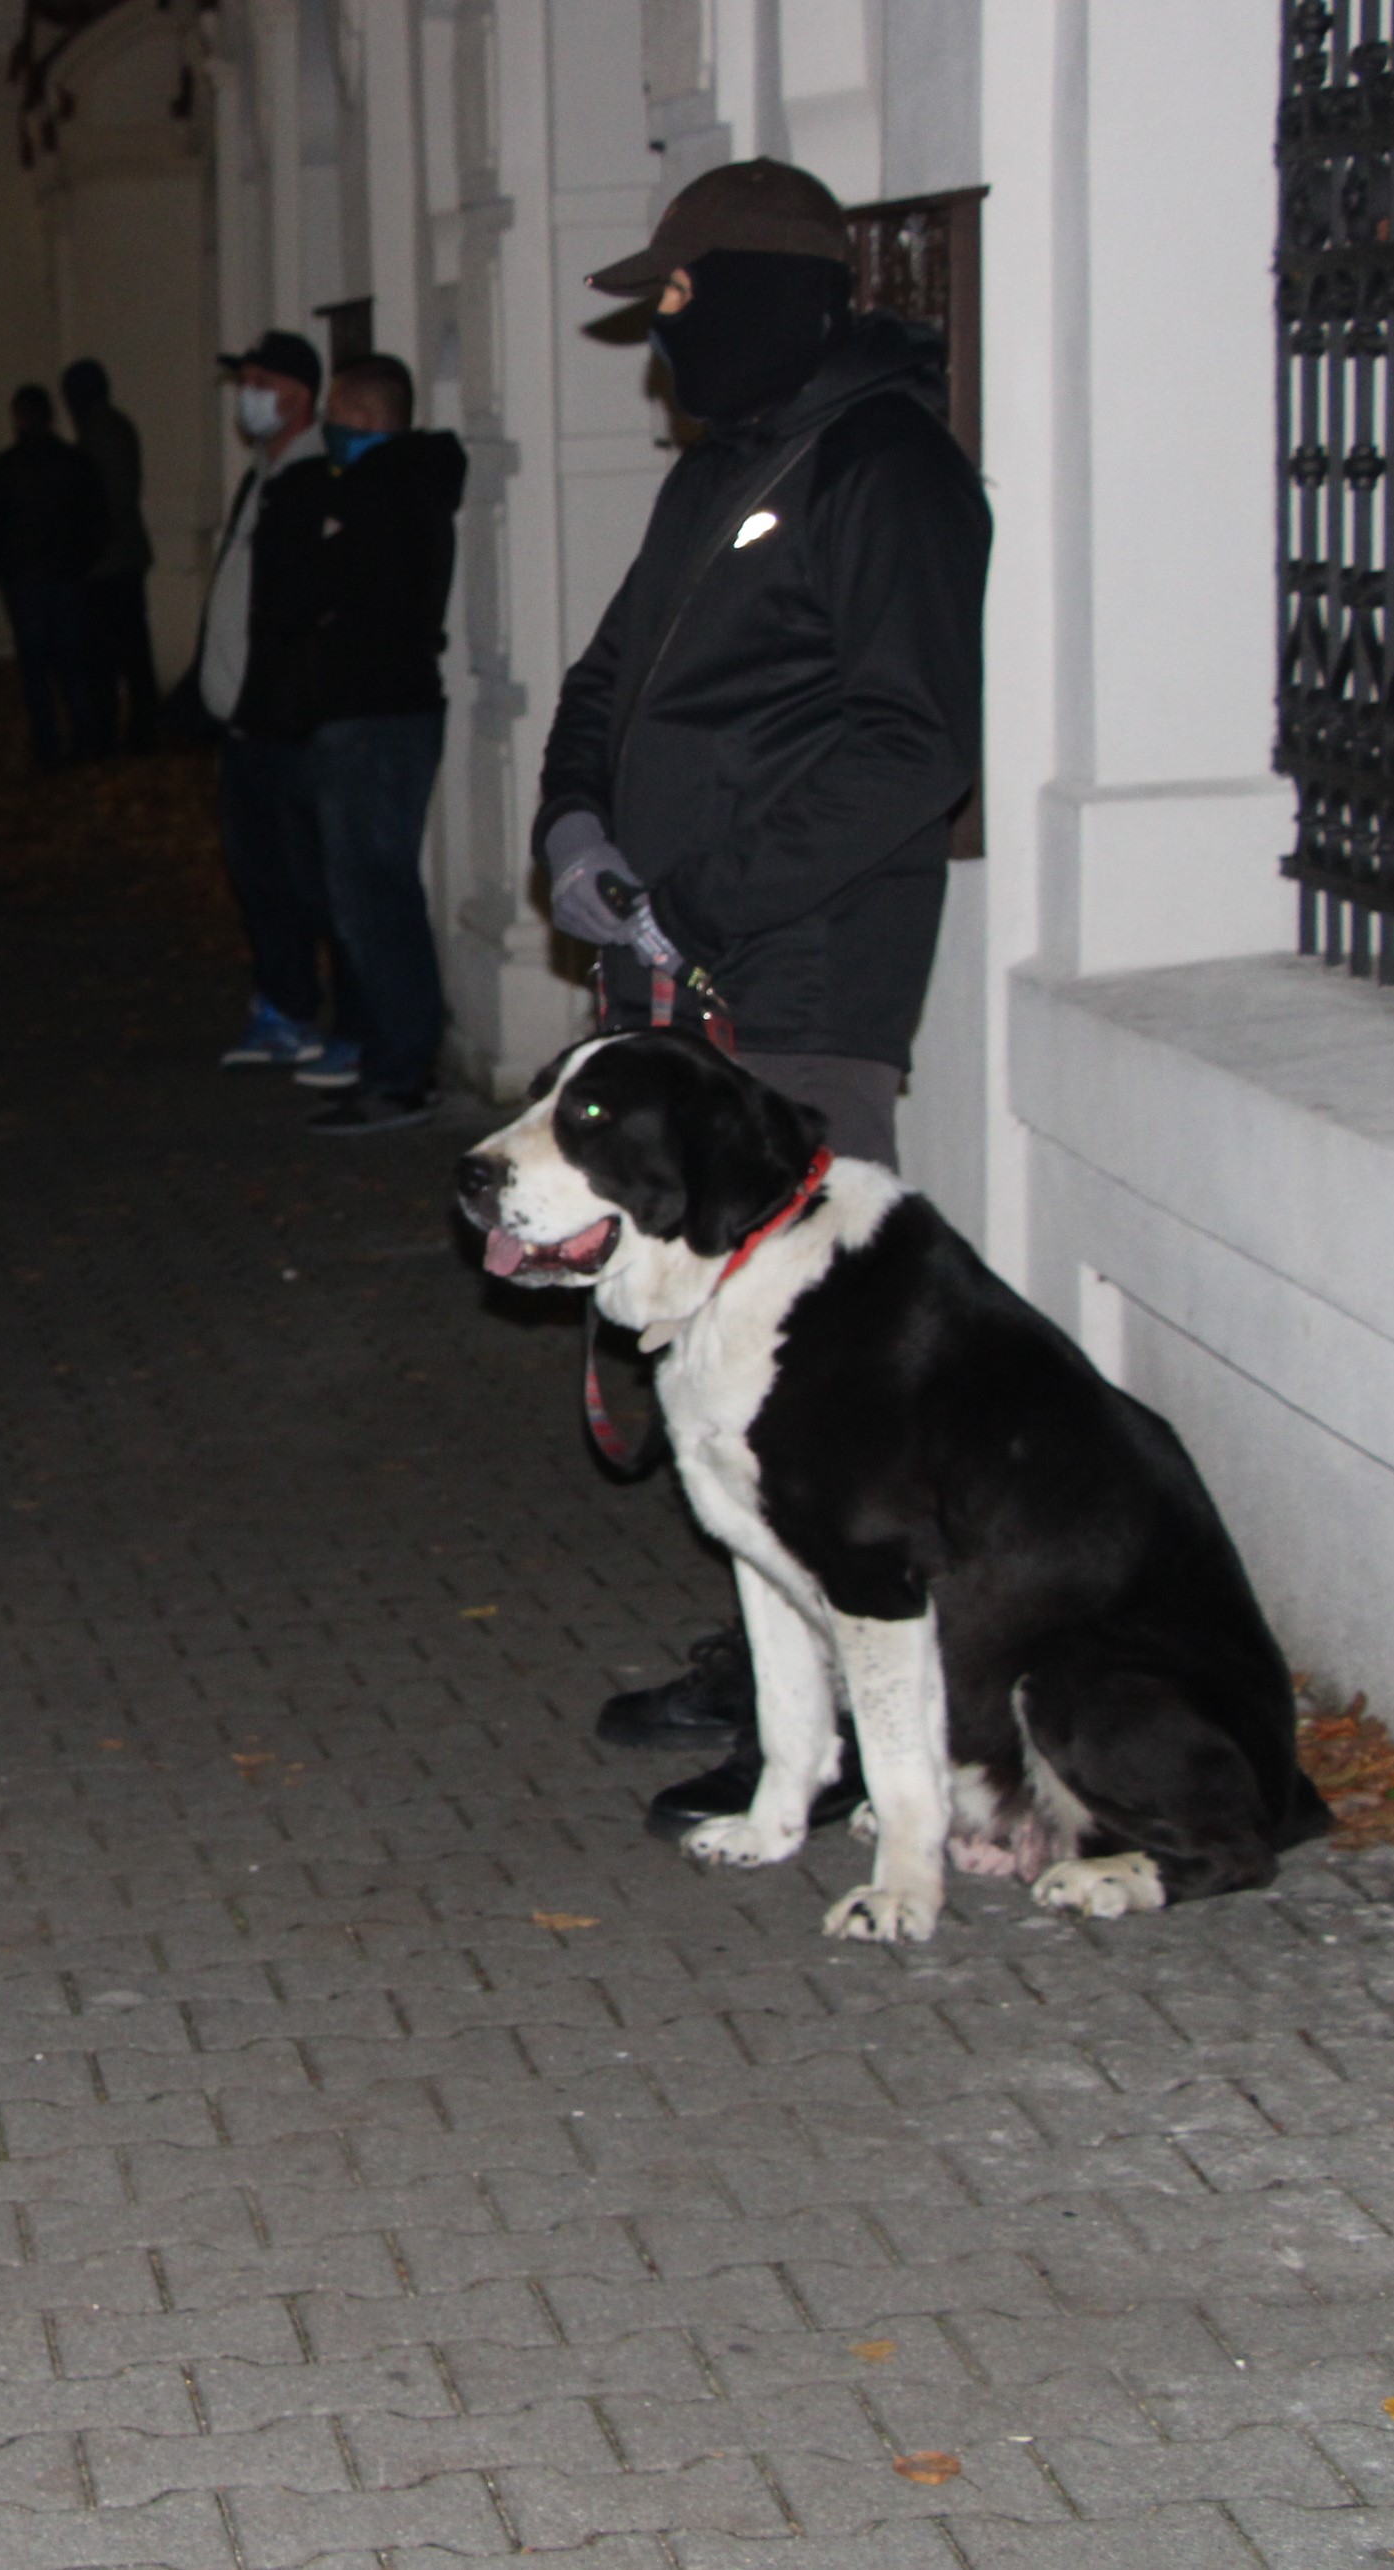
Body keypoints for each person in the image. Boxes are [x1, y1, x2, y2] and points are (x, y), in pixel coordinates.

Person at [533, 158, 992, 1817]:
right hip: (683, 977)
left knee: (809, 1390)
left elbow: (909, 743)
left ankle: (861, 1751)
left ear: (766, 294)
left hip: (796, 994)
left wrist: (703, 902)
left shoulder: (889, 473)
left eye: (678, 296)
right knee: (715, 1375)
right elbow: (613, 677)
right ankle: (771, 1677)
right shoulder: (727, 468)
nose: (662, 331)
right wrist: (576, 824)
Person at [253, 355, 468, 1135]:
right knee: (363, 894)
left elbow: (330, 590)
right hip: (368, 712)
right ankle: (390, 1059)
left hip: (375, 717)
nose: (331, 431)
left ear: (365, 417)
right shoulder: (391, 490)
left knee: (373, 896)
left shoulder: (386, 494)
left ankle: (400, 1068)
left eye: (341, 413)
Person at [186, 329, 346, 1077]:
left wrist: (277, 706)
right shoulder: (266, 475)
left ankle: (330, 1015)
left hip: (282, 726)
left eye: (259, 379)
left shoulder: (310, 481)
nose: (247, 393)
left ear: (298, 396)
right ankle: (283, 1004)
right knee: (261, 878)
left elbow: (292, 614)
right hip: (246, 723)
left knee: (304, 879)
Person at [0, 383, 109, 772]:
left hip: (24, 581)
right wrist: (82, 563)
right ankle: (85, 741)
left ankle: (47, 746)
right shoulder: (75, 464)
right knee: (72, 665)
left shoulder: (4, 468)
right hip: (65, 577)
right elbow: (98, 521)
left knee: (35, 669)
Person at [61, 358, 158, 751]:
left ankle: (115, 732)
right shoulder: (115, 426)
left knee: (106, 656)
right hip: (122, 557)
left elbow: (108, 500)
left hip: (107, 564)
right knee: (132, 653)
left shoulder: (98, 433)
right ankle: (136, 728)